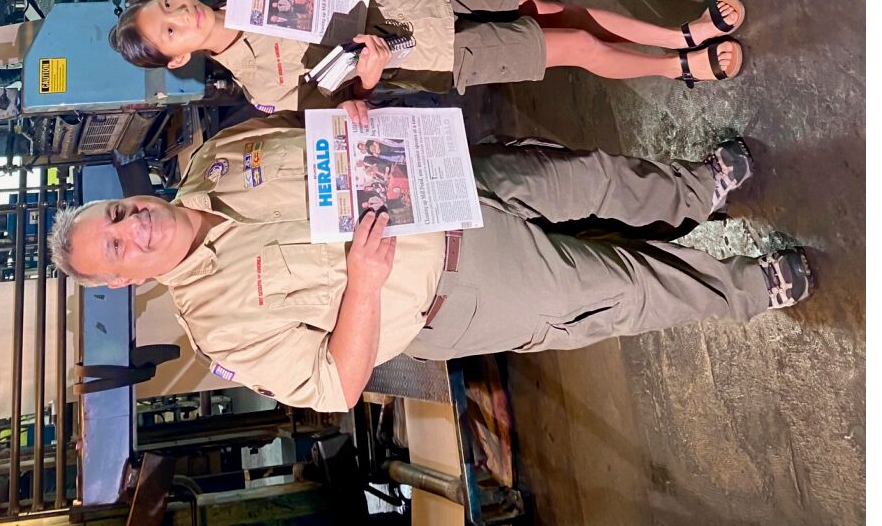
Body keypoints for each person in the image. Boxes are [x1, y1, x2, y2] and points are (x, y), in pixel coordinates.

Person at [47, 115, 814, 410]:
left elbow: (316, 127)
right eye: (116, 249)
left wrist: (354, 104)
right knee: (620, 288)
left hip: (447, 181)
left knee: (592, 174)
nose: (132, 230)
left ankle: (696, 189)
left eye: (115, 216)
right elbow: (334, 386)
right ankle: (753, 287)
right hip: (455, 289)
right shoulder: (217, 326)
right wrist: (363, 288)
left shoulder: (213, 157)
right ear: (124, 281)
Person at [108, 0, 749, 115]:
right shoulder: (261, 87)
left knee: (553, 9)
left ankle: (683, 32)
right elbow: (345, 105)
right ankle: (676, 68)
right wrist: (370, 74)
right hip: (434, 55)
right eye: (169, 30)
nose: (179, 13)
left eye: (167, 5)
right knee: (573, 47)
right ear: (178, 57)